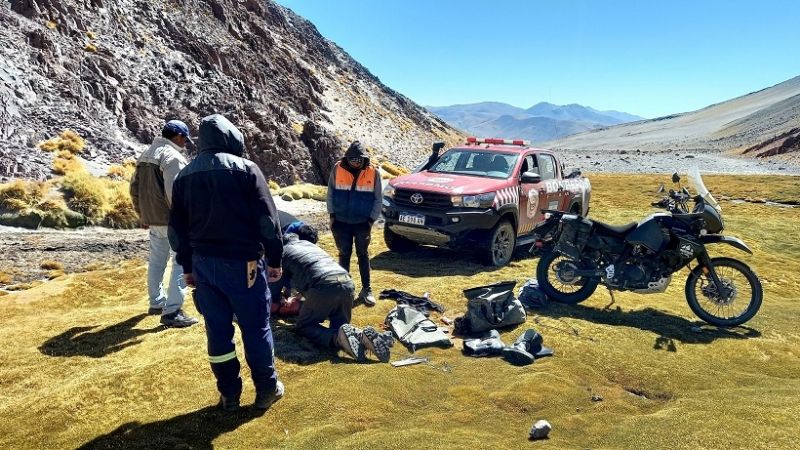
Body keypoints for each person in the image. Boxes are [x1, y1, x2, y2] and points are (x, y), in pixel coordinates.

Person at [169, 114, 284, 411]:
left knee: (217, 331)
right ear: (232, 138)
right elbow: (268, 222)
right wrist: (275, 258)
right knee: (256, 328)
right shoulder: (247, 169)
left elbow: (176, 230)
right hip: (244, 264)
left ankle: (229, 394)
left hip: (204, 264)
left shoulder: (185, 176)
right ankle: (266, 389)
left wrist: (187, 267)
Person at [275, 229, 394, 362]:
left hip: (323, 286)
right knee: (342, 329)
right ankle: (362, 336)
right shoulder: (309, 245)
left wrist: (278, 303)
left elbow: (274, 290)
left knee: (304, 326)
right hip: (347, 283)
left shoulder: (282, 253)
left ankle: (337, 338)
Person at [129, 120, 198, 328]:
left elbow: (134, 187)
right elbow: (175, 194)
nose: (185, 143)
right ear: (177, 136)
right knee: (181, 262)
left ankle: (156, 302)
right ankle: (173, 311)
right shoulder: (172, 157)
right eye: (185, 138)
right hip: (171, 221)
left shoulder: (146, 154)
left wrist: (142, 214)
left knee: (157, 261)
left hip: (153, 219)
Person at [327, 141, 382, 306]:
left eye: (359, 159)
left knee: (363, 255)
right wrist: (332, 216)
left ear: (364, 158)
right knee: (344, 255)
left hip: (362, 223)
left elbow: (378, 199)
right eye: (352, 159)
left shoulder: (373, 172)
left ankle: (367, 289)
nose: (356, 162)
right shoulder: (338, 168)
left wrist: (371, 220)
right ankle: (344, 290)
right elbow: (330, 192)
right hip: (341, 222)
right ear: (347, 158)